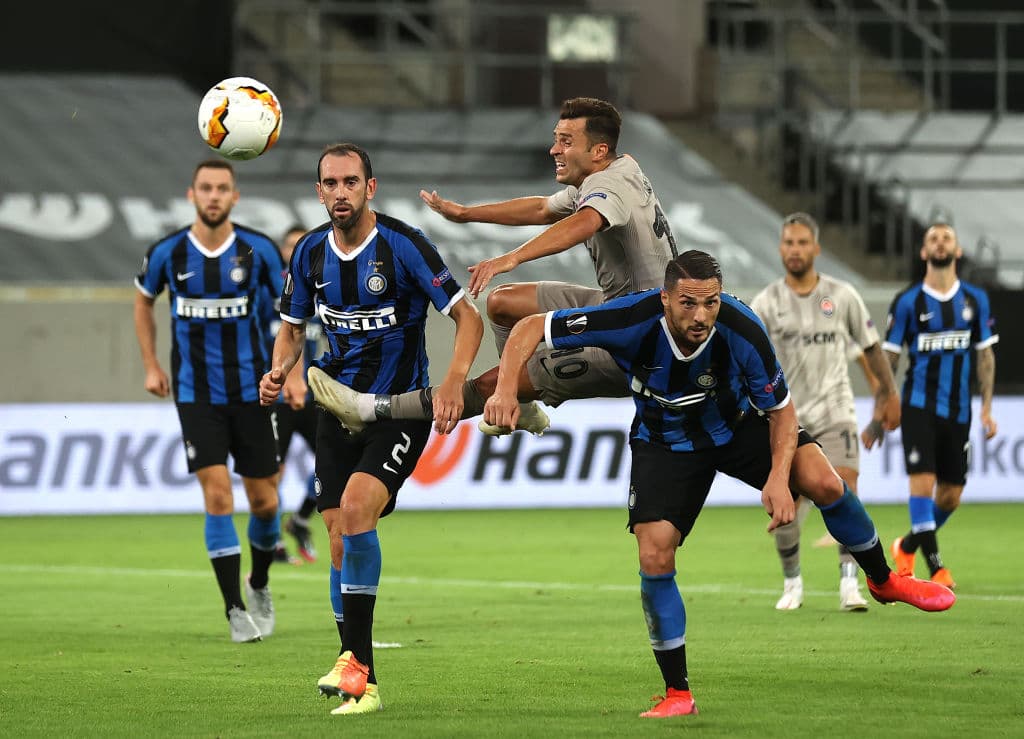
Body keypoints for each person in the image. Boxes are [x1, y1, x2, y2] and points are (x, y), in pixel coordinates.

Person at [482, 250, 955, 718]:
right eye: (688, 302)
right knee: (654, 553)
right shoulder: (628, 317)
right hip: (663, 443)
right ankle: (677, 693)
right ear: (664, 298)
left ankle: (884, 579)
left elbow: (782, 413)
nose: (701, 314)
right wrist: (506, 390)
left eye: (710, 302)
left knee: (823, 480)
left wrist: (775, 478)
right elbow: (528, 328)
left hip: (736, 428)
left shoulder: (743, 328)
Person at [259, 143, 483, 716]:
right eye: (329, 183)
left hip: (400, 408)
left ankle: (359, 671)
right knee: (338, 537)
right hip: (336, 406)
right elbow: (291, 328)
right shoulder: (309, 252)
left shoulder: (404, 246)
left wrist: (455, 382)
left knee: (356, 512)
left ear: (370, 187)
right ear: (319, 191)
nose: (339, 192)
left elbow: (467, 316)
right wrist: (280, 367)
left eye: (350, 182)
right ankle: (356, 667)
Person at [310, 97, 677, 436]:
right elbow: (541, 209)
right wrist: (466, 214)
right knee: (501, 303)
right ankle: (523, 397)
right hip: (619, 304)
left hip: (640, 336)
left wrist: (511, 257)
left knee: (495, 385)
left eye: (566, 141)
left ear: (598, 151)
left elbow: (585, 222)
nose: (554, 149)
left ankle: (366, 408)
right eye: (556, 139)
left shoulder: (606, 186)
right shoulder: (617, 169)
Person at [133, 159, 291, 643]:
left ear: (235, 196)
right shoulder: (168, 252)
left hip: (253, 392)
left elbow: (292, 312)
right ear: (192, 194)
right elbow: (142, 301)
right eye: (206, 188)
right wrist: (152, 366)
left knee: (265, 503)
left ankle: (259, 583)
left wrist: (290, 371)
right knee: (218, 495)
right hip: (195, 393)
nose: (214, 195)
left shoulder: (259, 251)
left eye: (223, 188)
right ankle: (234, 610)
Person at [750, 212, 900, 612]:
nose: (795, 250)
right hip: (788, 417)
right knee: (788, 504)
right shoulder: (766, 302)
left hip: (836, 411)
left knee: (844, 491)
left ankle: (850, 584)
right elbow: (745, 356)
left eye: (802, 243)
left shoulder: (843, 295)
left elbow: (871, 346)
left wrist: (889, 394)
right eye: (788, 243)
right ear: (780, 248)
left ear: (815, 248)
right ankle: (792, 582)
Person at [884, 223, 998, 589]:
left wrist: (986, 409)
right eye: (932, 238)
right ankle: (936, 567)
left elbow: (985, 357)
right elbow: (889, 360)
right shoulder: (907, 302)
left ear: (958, 250)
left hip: (959, 410)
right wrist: (886, 404)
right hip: (917, 406)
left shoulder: (975, 300)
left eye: (946, 237)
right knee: (923, 484)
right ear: (923, 252)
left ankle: (906, 545)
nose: (939, 243)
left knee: (950, 496)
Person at [258, 225, 323, 564]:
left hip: (313, 396)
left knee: (333, 461)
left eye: (302, 244)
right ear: (282, 250)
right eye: (290, 245)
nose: (295, 250)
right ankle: (273, 544)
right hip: (277, 398)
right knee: (273, 472)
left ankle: (299, 520)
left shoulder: (322, 288)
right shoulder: (266, 290)